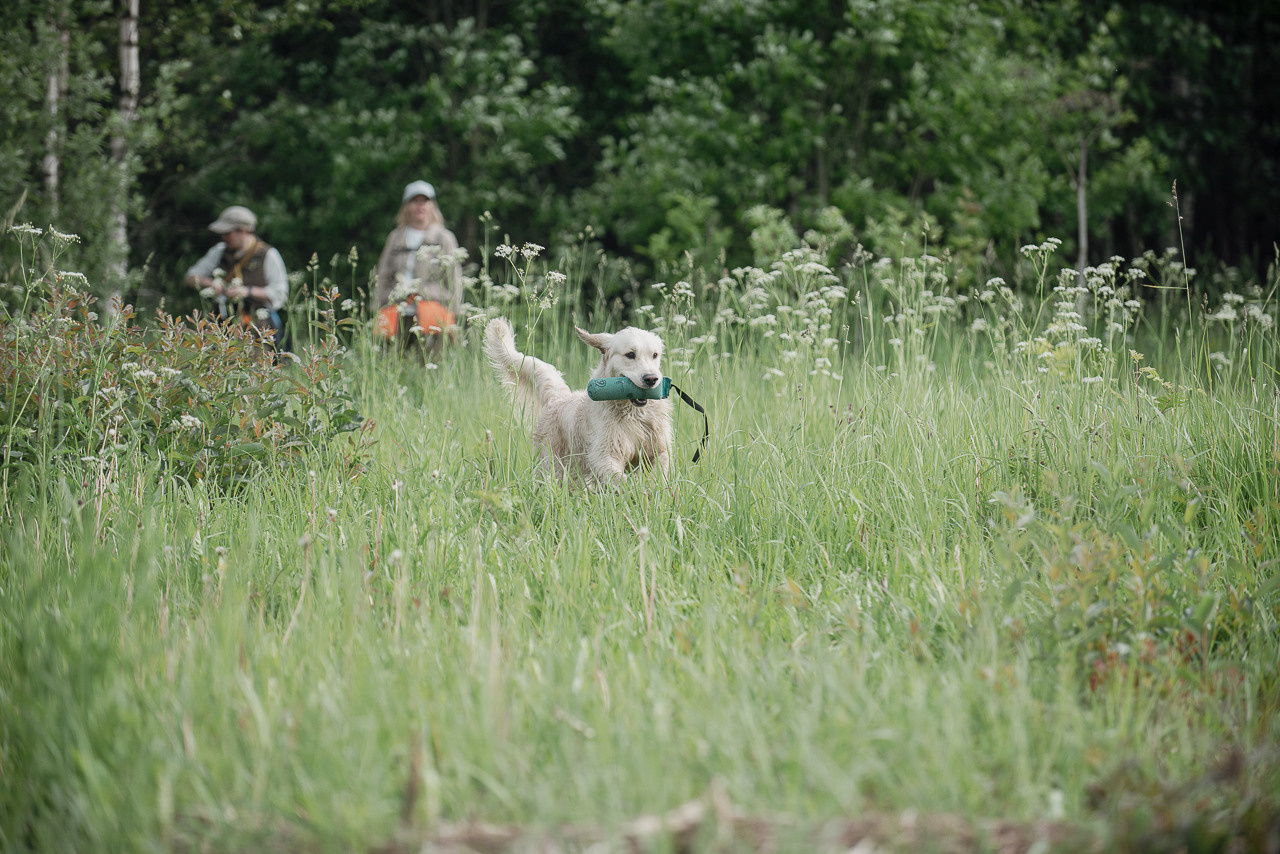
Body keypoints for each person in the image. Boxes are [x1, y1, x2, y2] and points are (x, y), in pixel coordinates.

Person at [372, 180, 463, 349]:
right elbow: (383, 276)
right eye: (415, 201)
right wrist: (378, 307)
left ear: (432, 206)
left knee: (431, 368)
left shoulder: (443, 237)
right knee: (393, 365)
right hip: (398, 311)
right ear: (406, 206)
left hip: (432, 313)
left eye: (425, 201)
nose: (420, 206)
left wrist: (454, 314)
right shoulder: (395, 237)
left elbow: (454, 280)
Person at [184, 205, 288, 349]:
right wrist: (212, 284)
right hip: (222, 324)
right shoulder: (219, 251)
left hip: (258, 327)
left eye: (227, 232)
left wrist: (247, 291)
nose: (223, 237)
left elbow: (280, 294)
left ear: (243, 230)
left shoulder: (268, 254)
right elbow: (190, 277)